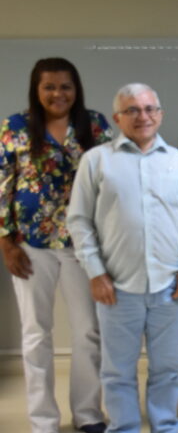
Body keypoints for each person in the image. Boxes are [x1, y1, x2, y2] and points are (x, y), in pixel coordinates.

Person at [67, 83, 178, 433]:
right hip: (116, 288)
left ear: (160, 115)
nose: (142, 116)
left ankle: (165, 427)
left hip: (171, 286)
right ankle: (125, 428)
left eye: (149, 109)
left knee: (167, 371)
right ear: (117, 118)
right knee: (117, 373)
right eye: (132, 110)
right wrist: (95, 272)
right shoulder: (96, 161)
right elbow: (79, 221)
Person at [0, 57, 111, 433]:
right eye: (49, 86)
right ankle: (43, 420)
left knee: (88, 331)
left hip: (84, 245)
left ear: (76, 89)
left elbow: (112, 180)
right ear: (36, 89)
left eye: (65, 86)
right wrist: (6, 243)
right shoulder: (15, 127)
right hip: (30, 246)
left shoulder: (95, 125)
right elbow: (2, 185)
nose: (57, 93)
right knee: (36, 333)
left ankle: (88, 414)